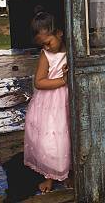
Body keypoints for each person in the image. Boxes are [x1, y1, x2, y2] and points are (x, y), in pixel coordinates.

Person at [24, 11, 71, 193]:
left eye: (48, 42)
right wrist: (62, 81)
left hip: (68, 100)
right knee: (51, 140)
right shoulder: (46, 56)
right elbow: (39, 82)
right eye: (42, 44)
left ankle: (69, 172)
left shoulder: (72, 49)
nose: (47, 47)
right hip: (50, 104)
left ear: (59, 33)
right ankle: (49, 176)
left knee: (69, 137)